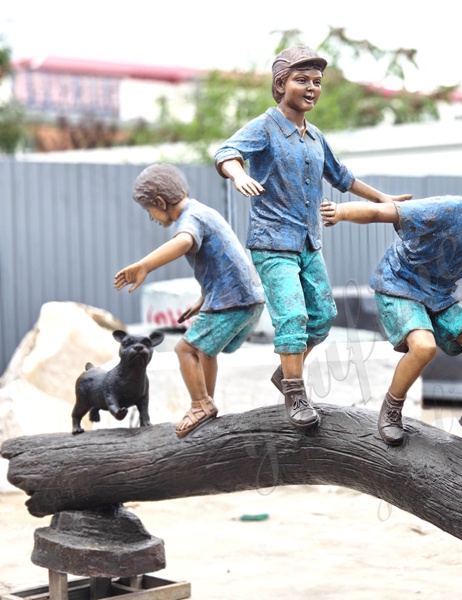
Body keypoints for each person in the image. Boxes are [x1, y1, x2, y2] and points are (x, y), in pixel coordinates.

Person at [214, 45, 411, 430]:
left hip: (308, 242)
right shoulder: (266, 127)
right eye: (301, 80)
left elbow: (343, 177)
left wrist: (384, 200)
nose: (310, 88)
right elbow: (227, 151)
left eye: (316, 82)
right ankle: (295, 392)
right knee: (293, 316)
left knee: (321, 318)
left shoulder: (315, 136)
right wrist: (237, 173)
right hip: (273, 243)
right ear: (280, 84)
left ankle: (286, 373)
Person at [321, 160, 462, 445]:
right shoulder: (445, 210)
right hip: (399, 285)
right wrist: (341, 212)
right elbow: (384, 211)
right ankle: (391, 408)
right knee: (423, 347)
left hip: (439, 295)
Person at [114, 164, 265, 438]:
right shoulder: (205, 211)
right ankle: (207, 401)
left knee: (184, 350)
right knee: (205, 351)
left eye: (150, 211)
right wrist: (204, 298)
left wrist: (145, 265)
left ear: (160, 202)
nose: (152, 218)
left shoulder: (190, 219)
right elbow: (227, 263)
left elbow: (183, 242)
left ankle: (200, 404)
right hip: (247, 299)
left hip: (231, 302)